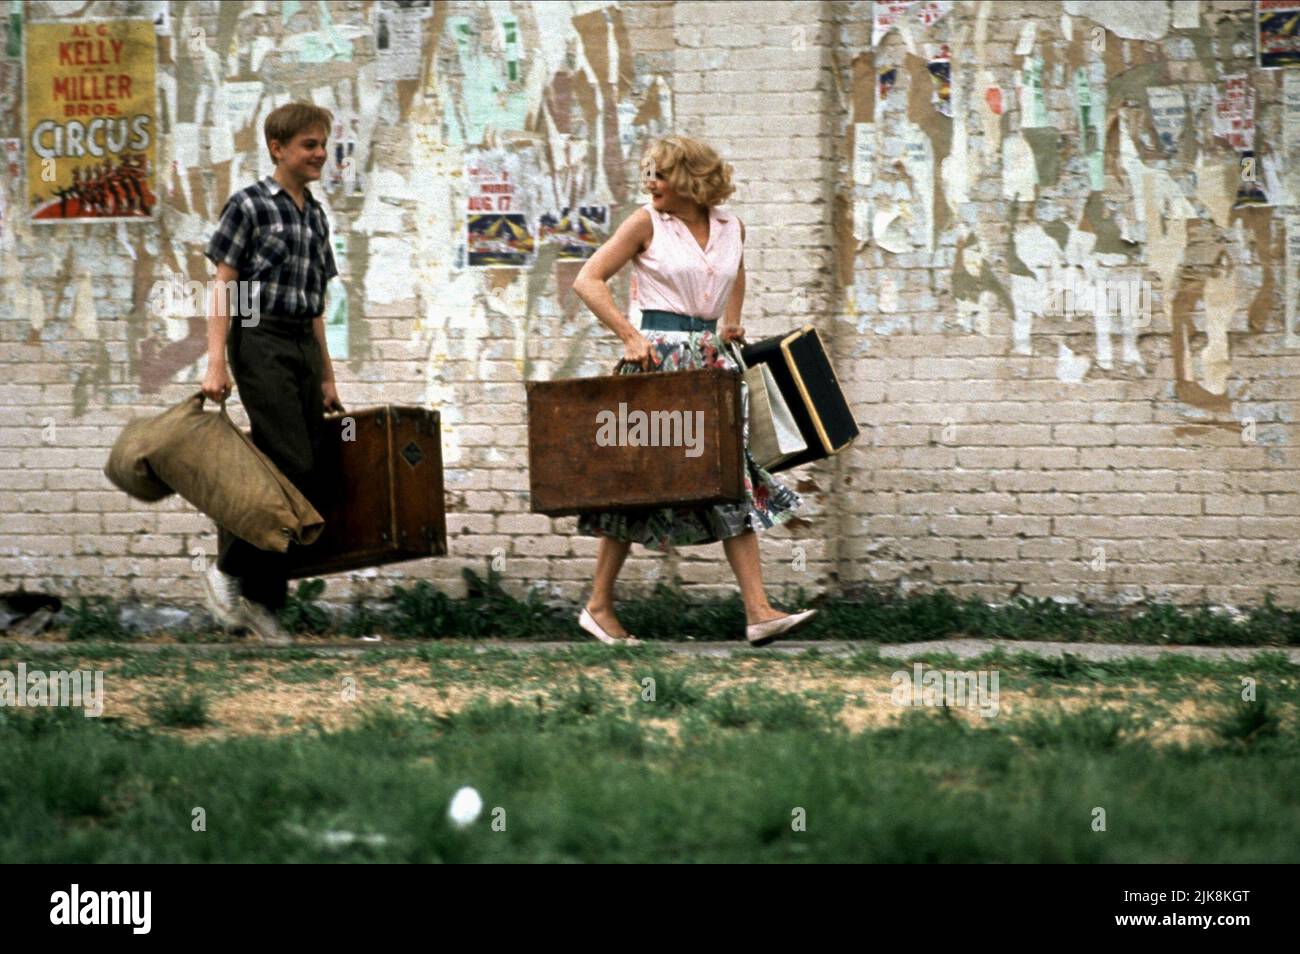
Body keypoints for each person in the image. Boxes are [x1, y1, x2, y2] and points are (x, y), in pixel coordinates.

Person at [571, 136, 817, 647]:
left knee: (727, 478)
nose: (650, 183)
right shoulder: (645, 222)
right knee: (637, 486)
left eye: (659, 174)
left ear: (690, 179)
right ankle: (597, 607)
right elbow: (588, 280)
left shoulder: (732, 227)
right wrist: (630, 335)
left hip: (710, 364)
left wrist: (732, 321)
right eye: (648, 174)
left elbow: (735, 271)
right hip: (656, 366)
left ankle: (758, 611)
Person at [199, 102, 344, 645]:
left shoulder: (316, 215)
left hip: (301, 345)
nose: (320, 154)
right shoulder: (250, 206)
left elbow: (315, 307)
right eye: (309, 144)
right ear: (278, 149)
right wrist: (217, 361)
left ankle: (262, 603)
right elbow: (224, 284)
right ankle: (227, 570)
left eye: (323, 144)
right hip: (258, 339)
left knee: (308, 473)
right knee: (290, 462)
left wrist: (327, 376)